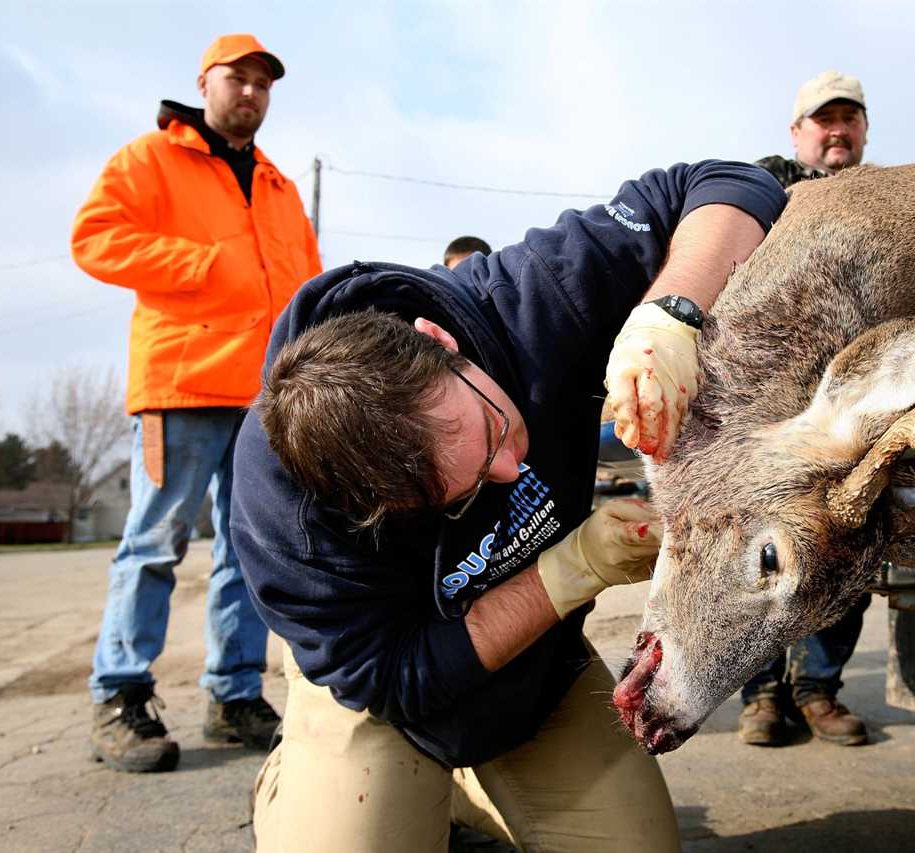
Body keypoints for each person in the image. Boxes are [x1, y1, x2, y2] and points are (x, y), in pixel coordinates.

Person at [231, 161, 784, 851]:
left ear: (439, 341)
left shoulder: (526, 299)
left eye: (493, 428)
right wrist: (573, 569)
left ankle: (469, 791)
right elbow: (394, 677)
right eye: (456, 492)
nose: (510, 467)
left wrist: (666, 318)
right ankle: (304, 784)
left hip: (531, 673)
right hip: (387, 709)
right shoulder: (286, 510)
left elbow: (724, 182)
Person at [71, 34, 322, 773]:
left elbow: (305, 285)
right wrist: (203, 262)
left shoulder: (277, 185)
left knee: (248, 551)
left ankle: (234, 691)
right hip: (182, 381)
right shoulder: (150, 161)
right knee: (154, 542)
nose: (250, 93)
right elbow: (94, 238)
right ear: (204, 84)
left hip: (262, 396)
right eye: (236, 79)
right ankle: (120, 694)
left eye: (262, 85)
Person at [736, 69, 873, 749]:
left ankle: (818, 689)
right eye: (826, 119)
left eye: (850, 117)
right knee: (756, 555)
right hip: (770, 406)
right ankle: (761, 693)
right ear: (799, 133)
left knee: (848, 549)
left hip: (851, 413)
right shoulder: (765, 187)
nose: (838, 129)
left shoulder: (884, 200)